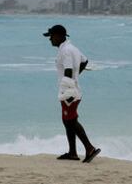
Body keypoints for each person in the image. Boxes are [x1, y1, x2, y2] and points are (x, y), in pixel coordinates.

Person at [43, 24, 100, 163]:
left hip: (69, 92)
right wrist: (76, 77)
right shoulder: (72, 48)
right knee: (67, 121)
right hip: (72, 89)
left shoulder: (66, 51)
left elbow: (68, 69)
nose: (50, 39)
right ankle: (73, 152)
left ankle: (90, 148)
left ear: (59, 36)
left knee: (71, 121)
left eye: (51, 36)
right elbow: (85, 60)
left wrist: (68, 89)